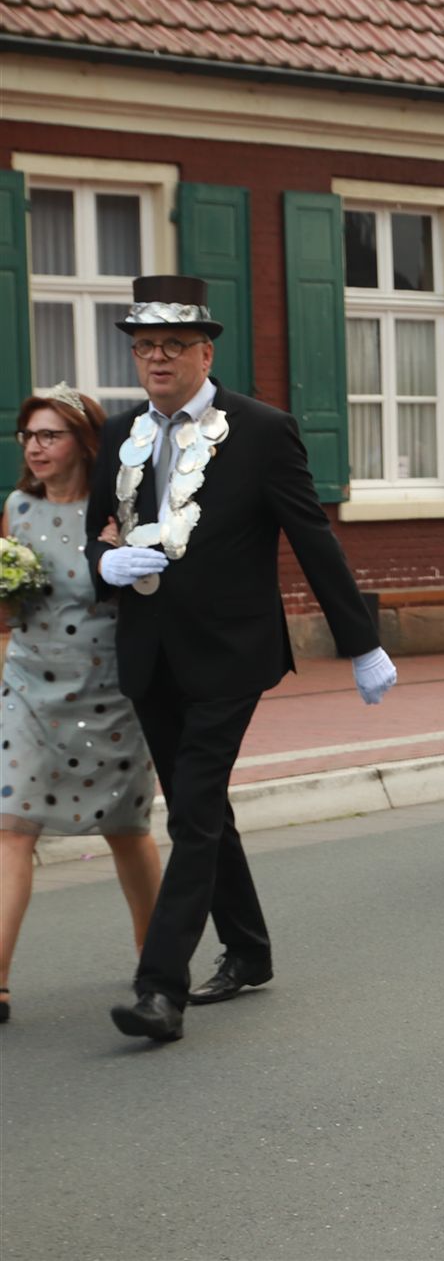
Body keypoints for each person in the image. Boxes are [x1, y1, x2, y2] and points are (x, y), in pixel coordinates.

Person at [85, 275, 397, 1042]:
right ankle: (250, 950)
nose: (157, 358)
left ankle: (160, 988)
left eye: (173, 344)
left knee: (193, 809)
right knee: (204, 806)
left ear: (206, 351)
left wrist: (361, 642)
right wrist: (104, 565)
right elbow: (99, 531)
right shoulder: (120, 432)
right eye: (144, 346)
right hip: (149, 651)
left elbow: (311, 536)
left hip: (231, 651)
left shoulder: (260, 429)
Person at [0, 387, 159, 1025]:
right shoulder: (16, 507)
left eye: (50, 435)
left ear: (84, 442)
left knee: (126, 830)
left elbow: (148, 593)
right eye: (29, 436)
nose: (35, 448)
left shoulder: (115, 514)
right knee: (11, 827)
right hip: (27, 688)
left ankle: (156, 962)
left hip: (107, 690)